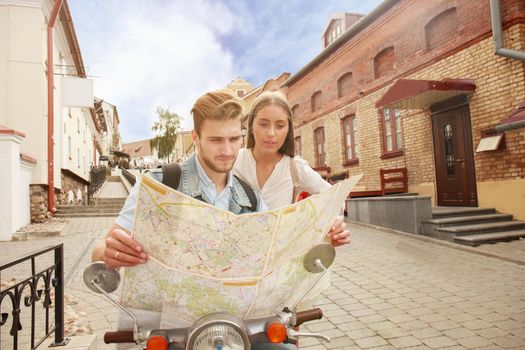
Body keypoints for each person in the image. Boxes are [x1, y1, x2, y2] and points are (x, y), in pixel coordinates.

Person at [233, 90, 350, 247]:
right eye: (263, 124)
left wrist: (333, 224)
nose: (271, 133)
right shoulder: (232, 161)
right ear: (251, 127)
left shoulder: (295, 168)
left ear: (288, 129)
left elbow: (336, 198)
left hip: (279, 259)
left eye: (280, 125)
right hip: (238, 257)